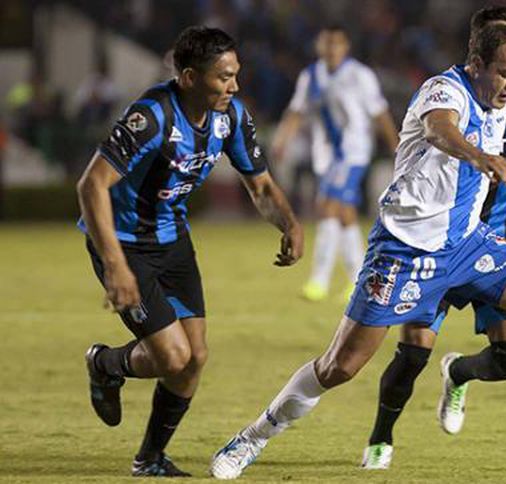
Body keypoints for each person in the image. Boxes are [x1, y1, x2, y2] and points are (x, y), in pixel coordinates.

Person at [210, 24, 506, 480]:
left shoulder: (499, 94)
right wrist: (480, 157)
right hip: (405, 250)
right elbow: (439, 129)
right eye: (505, 74)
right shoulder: (443, 91)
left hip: (467, 243)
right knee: (339, 367)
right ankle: (252, 436)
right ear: (476, 65)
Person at [359, 6, 506, 472]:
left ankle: (459, 372)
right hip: (437, 239)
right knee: (413, 352)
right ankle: (381, 438)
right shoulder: (455, 97)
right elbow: (438, 134)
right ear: (478, 52)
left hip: (498, 241)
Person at [77, 26, 303, 476]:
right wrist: (116, 265)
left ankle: (150, 459)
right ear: (189, 78)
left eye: (235, 74)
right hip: (124, 245)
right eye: (223, 77)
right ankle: (105, 363)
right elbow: (92, 185)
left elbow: (260, 186)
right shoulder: (153, 116)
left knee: (194, 357)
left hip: (173, 240)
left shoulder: (230, 117)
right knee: (173, 358)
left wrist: (289, 223)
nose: (233, 86)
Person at [269, 24, 400, 303]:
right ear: (319, 46)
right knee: (345, 213)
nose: (331, 49)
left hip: (353, 152)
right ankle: (358, 279)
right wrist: (282, 140)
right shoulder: (311, 76)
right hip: (325, 155)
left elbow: (380, 113)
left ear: (345, 46)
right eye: (326, 43)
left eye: (336, 43)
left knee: (327, 207)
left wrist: (395, 145)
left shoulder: (360, 75)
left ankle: (319, 280)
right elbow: (296, 111)